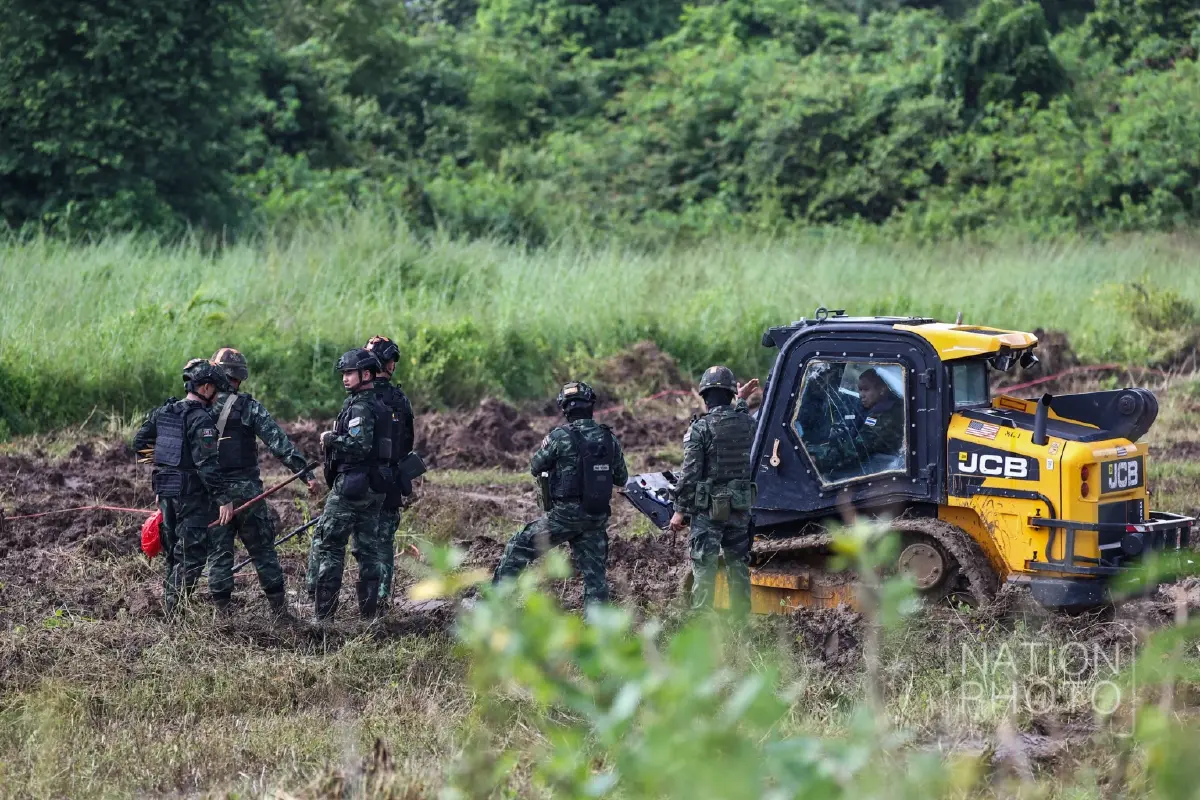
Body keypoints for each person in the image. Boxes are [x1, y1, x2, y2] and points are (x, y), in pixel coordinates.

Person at [205, 347, 319, 616]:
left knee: (219, 553)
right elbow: (279, 443)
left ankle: (223, 615)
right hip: (248, 494)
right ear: (240, 378)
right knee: (263, 551)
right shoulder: (248, 407)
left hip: (214, 494)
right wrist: (306, 474)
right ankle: (280, 614)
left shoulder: (199, 406)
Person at [492, 381, 628, 607]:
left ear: (565, 409)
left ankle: (492, 604)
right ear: (590, 406)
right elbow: (621, 478)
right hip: (595, 516)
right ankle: (599, 626)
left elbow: (535, 466)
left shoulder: (559, 437)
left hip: (564, 516)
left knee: (519, 545)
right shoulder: (608, 438)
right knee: (595, 576)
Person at [310, 349, 394, 621]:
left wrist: (331, 438)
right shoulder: (380, 405)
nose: (345, 378)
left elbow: (359, 445)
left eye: (349, 373)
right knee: (368, 550)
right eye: (344, 374)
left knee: (330, 546)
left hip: (352, 487)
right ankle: (370, 617)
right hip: (375, 487)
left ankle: (323, 619)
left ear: (366, 374)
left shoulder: (359, 407)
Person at [144, 359, 234, 614]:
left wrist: (166, 465)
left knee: (173, 553)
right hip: (191, 497)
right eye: (216, 389)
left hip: (165, 491)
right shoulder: (202, 420)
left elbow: (140, 441)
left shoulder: (165, 412)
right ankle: (173, 615)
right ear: (205, 388)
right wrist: (223, 498)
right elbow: (207, 464)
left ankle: (172, 610)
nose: (218, 395)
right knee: (190, 557)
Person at [668, 366, 759, 617]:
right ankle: (741, 623)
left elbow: (690, 474)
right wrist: (741, 401)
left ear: (705, 396)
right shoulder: (748, 424)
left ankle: (703, 624)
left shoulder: (701, 429)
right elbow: (737, 417)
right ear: (731, 394)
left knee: (705, 567)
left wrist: (679, 511)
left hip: (709, 512)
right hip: (740, 509)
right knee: (738, 565)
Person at [363, 335, 416, 607]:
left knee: (363, 542)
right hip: (392, 478)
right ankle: (381, 599)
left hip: (362, 481)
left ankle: (367, 599)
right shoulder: (399, 399)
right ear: (390, 364)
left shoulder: (360, 398)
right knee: (384, 541)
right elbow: (408, 441)